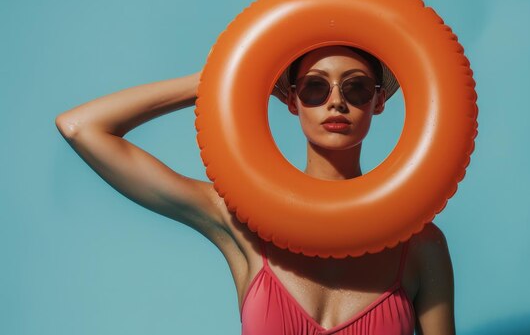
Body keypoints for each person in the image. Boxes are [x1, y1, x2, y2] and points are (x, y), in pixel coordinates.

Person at [55, 45, 455, 335]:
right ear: (292, 100)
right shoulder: (243, 221)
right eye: (316, 88)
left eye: (356, 89)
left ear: (379, 102)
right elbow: (82, 128)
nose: (336, 103)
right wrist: (223, 78)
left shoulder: (419, 245)